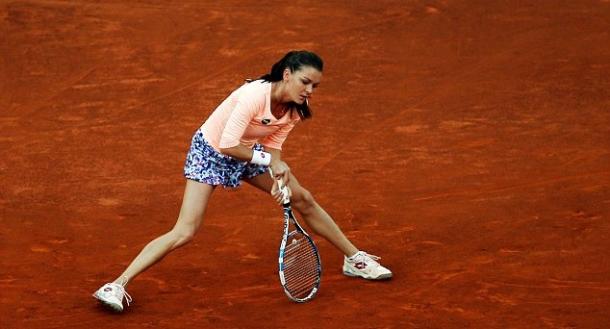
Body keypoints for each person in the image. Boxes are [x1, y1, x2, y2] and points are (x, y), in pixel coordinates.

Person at [93, 50, 392, 312]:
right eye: (305, 82)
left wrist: (278, 174)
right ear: (287, 75)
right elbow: (226, 145)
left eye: (315, 86)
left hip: (248, 153)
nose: (310, 90)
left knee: (303, 198)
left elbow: (273, 150)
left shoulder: (293, 111)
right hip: (211, 153)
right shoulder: (253, 97)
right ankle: (117, 285)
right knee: (185, 231)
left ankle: (354, 259)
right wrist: (269, 162)